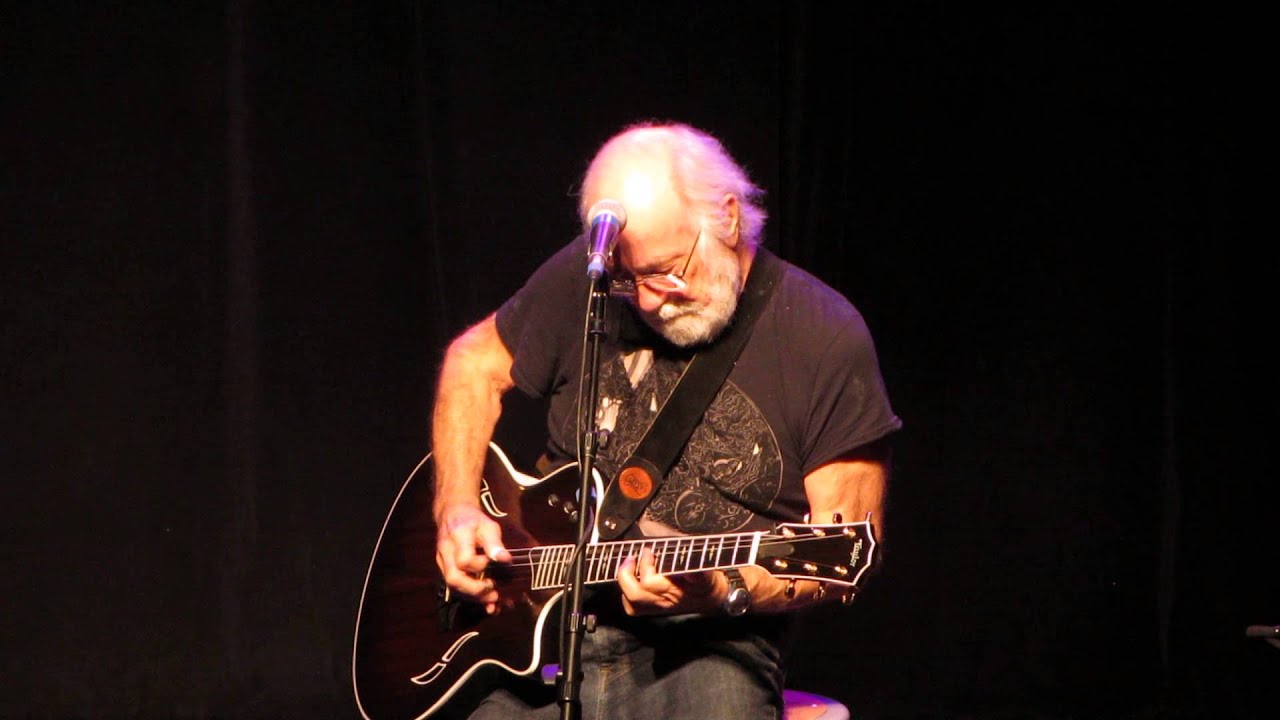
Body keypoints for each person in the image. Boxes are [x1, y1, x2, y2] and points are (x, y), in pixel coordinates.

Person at [430, 122, 901, 720]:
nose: (650, 299)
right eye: (631, 280)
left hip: (709, 649)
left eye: (667, 270)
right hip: (543, 635)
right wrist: (457, 508)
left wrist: (723, 587)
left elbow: (842, 551)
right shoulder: (595, 277)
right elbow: (472, 364)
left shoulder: (824, 335)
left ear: (728, 218)